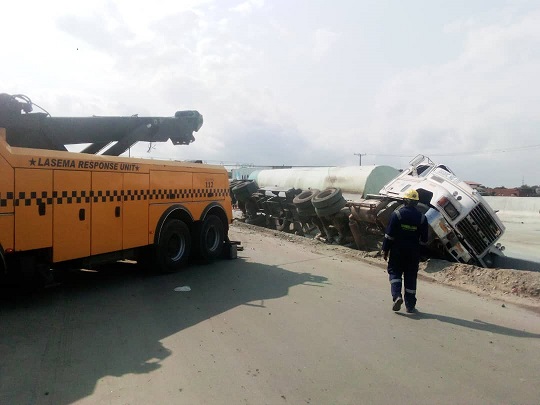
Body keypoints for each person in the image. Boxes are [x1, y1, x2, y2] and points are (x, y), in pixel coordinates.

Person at [382, 189, 428, 313]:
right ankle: (410, 305)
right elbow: (424, 240)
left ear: (405, 200)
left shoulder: (397, 215)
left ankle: (397, 296)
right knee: (411, 277)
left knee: (394, 272)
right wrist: (422, 255)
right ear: (416, 203)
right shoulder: (422, 218)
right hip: (413, 253)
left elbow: (389, 235)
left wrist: (385, 250)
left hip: (397, 251)